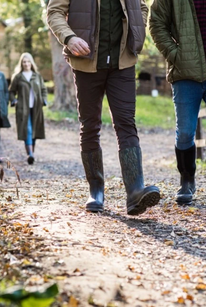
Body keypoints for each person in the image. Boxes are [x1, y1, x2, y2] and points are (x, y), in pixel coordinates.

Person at [47, 0, 161, 215]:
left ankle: (136, 191)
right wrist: (69, 38)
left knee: (126, 123)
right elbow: (54, 12)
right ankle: (96, 190)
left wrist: (138, 30)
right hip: (87, 62)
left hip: (123, 62)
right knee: (90, 126)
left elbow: (142, 7)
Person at [149, 0, 206, 213]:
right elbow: (156, 24)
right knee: (185, 132)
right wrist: (175, 55)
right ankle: (187, 181)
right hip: (185, 73)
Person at [8, 53, 47, 165]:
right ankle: (30, 154)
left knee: (34, 130)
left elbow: (43, 90)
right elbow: (11, 91)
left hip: (36, 108)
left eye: (28, 61)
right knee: (28, 129)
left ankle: (31, 154)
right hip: (23, 108)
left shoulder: (37, 76)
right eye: (24, 62)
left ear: (31, 63)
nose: (26, 64)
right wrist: (14, 100)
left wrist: (44, 100)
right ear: (21, 63)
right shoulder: (18, 77)